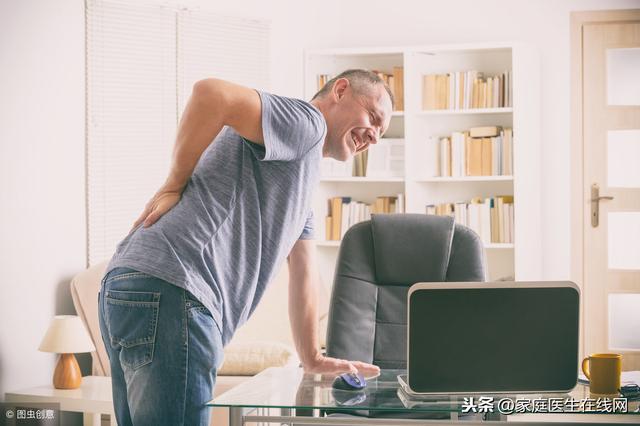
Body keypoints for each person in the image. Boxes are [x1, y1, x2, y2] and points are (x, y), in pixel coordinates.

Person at [97, 69, 393, 426]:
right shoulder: (308, 124)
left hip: (135, 284)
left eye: (382, 131)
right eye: (373, 117)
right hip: (177, 290)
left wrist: (312, 357)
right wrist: (172, 185)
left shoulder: (300, 181)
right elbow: (211, 94)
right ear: (341, 91)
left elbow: (305, 275)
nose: (374, 136)